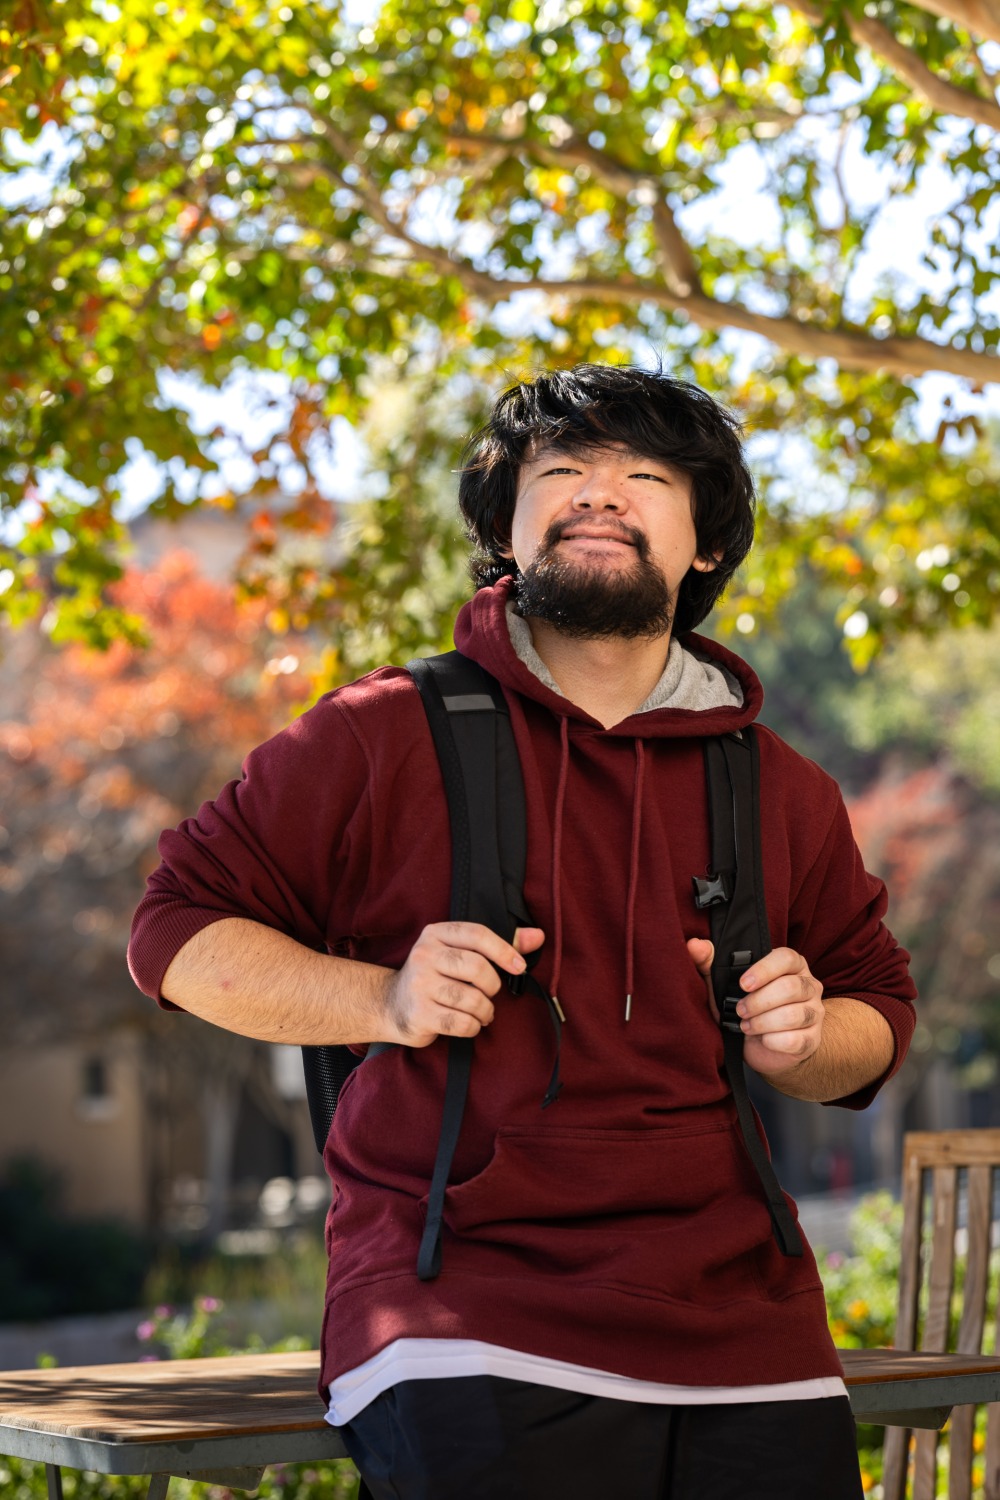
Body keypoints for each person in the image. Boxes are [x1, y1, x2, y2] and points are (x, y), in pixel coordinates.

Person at [128, 363, 916, 1500]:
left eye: (644, 475)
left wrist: (807, 1037)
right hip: (459, 1310)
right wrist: (381, 1000)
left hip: (744, 1323)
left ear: (704, 548)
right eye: (563, 473)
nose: (601, 493)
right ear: (506, 529)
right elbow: (172, 931)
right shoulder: (376, 732)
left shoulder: (779, 787)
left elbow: (877, 1015)